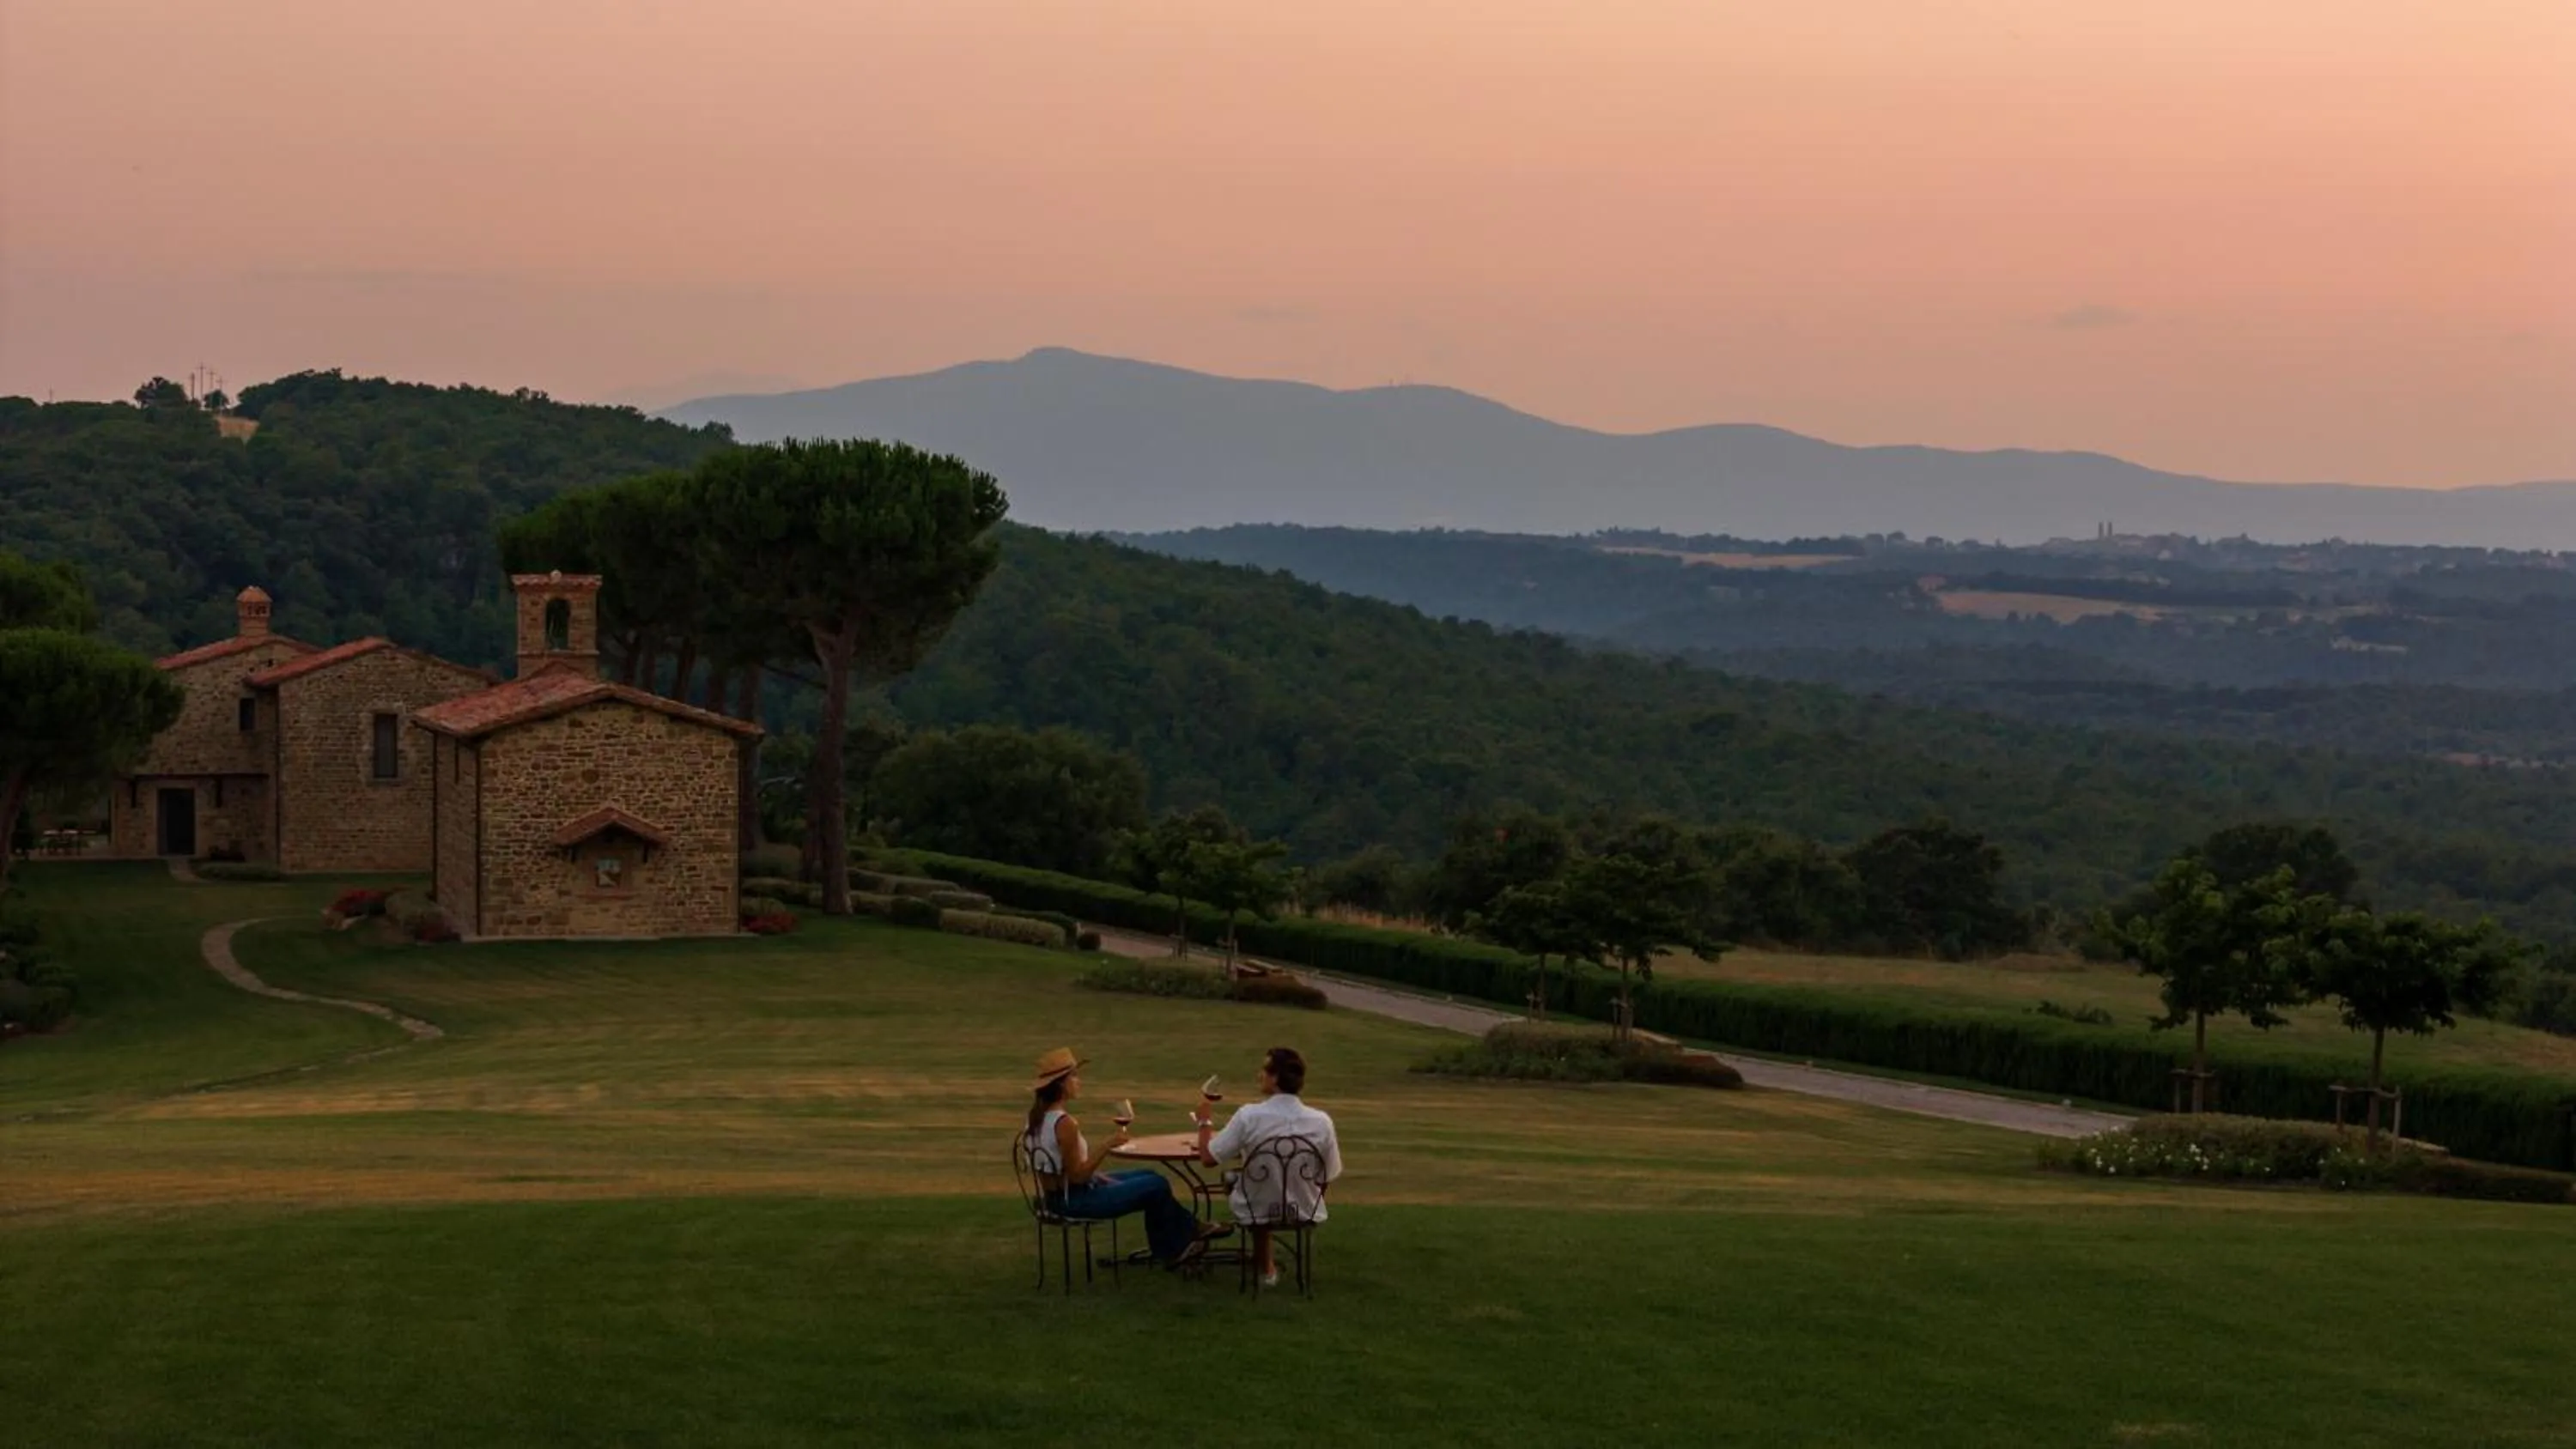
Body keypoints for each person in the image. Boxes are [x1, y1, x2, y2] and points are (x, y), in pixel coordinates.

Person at [1024, 1046, 1214, 1267]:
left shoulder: (1035, 1118)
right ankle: (1175, 1247)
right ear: (1060, 1085)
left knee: (1148, 1175)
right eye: (1074, 1076)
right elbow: (1077, 1177)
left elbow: (1062, 1169)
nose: (1079, 1082)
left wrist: (1096, 1175)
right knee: (1157, 1184)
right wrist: (1106, 1146)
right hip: (1075, 1201)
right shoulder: (1065, 1123)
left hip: (1056, 1197)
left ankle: (1184, 1236)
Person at [1195, 1046, 1343, 1288]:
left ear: (1274, 1078)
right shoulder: (1322, 1121)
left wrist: (1204, 1122)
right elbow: (1326, 1174)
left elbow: (1208, 1158)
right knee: (1266, 1185)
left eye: (1264, 1069)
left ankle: (1265, 1266)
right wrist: (1308, 1202)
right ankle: (1267, 1263)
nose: (1259, 1075)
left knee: (1236, 1180)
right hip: (1303, 1209)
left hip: (1257, 1208)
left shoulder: (1249, 1116)